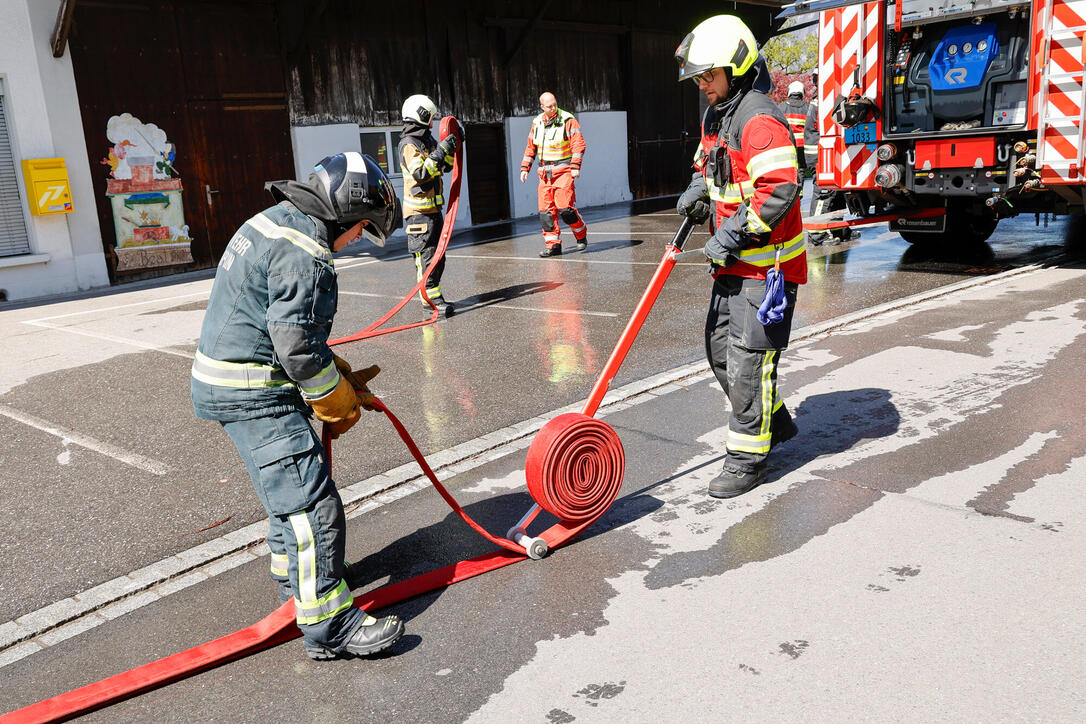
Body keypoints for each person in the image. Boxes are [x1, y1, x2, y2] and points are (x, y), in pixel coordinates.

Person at [190, 151, 406, 660]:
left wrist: (340, 373)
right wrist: (336, 398)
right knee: (313, 503)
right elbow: (297, 346)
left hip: (230, 381)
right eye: (360, 231)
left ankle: (297, 582)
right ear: (344, 215)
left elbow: (284, 326)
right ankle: (330, 623)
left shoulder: (274, 221)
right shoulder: (306, 251)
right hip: (254, 392)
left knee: (286, 493)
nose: (355, 241)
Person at [674, 15, 805, 499]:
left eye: (709, 75)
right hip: (734, 264)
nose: (703, 85)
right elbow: (706, 167)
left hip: (766, 269)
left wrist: (727, 236)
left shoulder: (759, 119)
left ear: (738, 67)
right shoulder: (718, 115)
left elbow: (778, 190)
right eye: (699, 78)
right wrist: (696, 193)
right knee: (718, 348)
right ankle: (772, 420)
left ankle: (748, 458)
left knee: (750, 361)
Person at [399, 94, 458, 316]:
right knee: (426, 257)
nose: (432, 123)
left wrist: (453, 145)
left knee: (438, 256)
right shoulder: (408, 144)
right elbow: (421, 173)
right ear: (420, 116)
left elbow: (444, 168)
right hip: (418, 215)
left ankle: (434, 297)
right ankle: (429, 302)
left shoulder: (428, 141)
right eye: (430, 118)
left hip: (434, 211)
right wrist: (442, 150)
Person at [520, 92, 588, 257]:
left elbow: (578, 144)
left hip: (563, 169)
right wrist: (524, 168)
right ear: (542, 107)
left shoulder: (567, 120)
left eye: (555, 104)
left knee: (566, 209)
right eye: (549, 106)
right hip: (544, 172)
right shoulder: (537, 122)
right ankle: (553, 246)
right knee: (546, 213)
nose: (553, 108)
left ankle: (581, 234)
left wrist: (575, 166)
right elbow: (531, 147)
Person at [802, 75, 856, 245]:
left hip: (826, 153)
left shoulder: (823, 98)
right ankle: (816, 235)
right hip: (820, 155)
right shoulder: (822, 100)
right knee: (824, 193)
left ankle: (840, 229)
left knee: (837, 193)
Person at [778, 80, 810, 174]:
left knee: (787, 171)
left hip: (786, 145)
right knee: (800, 171)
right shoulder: (808, 108)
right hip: (802, 146)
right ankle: (799, 188)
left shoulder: (781, 108)